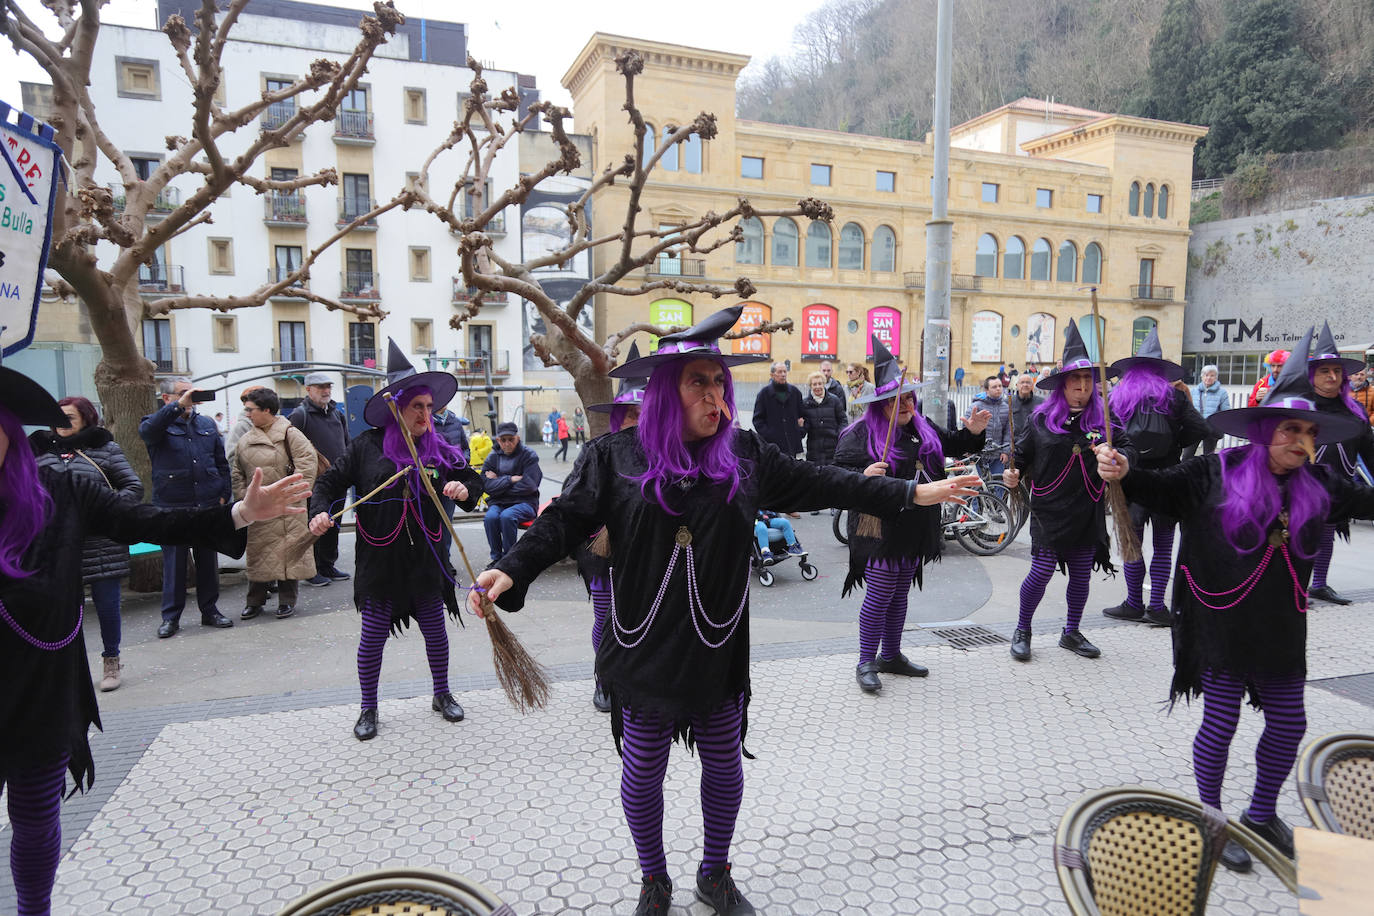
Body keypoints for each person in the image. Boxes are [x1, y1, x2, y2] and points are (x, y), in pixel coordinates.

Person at [470, 306, 980, 916]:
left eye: (719, 382)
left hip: (716, 650)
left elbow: (825, 482)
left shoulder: (744, 453)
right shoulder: (616, 456)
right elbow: (565, 519)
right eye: (699, 383)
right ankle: (653, 879)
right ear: (666, 392)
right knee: (641, 774)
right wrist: (514, 566)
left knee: (724, 767)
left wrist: (911, 492)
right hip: (643, 648)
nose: (715, 395)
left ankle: (715, 874)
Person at [1, 365, 308, 916]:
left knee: (35, 818)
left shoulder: (60, 487)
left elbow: (148, 521)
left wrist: (240, 512)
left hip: (43, 686)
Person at [1107, 326, 1374, 874]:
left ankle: (1259, 814)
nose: (1299, 442)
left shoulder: (1321, 483)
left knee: (1289, 723)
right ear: (1264, 430)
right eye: (1288, 430)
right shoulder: (1215, 471)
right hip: (1218, 620)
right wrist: (1127, 470)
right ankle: (1213, 820)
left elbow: (1370, 499)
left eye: (1308, 432)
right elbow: (1158, 488)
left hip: (1280, 625)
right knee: (1222, 720)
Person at [308, 340, 483, 741]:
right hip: (379, 561)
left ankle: (442, 694)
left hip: (426, 559)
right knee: (372, 636)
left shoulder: (438, 449)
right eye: (417, 407)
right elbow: (329, 482)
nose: (426, 414)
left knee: (436, 631)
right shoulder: (366, 448)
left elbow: (473, 481)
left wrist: (461, 488)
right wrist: (320, 511)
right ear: (395, 408)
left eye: (428, 406)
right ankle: (368, 708)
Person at [836, 335, 990, 693]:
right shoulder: (858, 434)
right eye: (896, 398)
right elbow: (836, 474)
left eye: (908, 396)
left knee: (901, 591)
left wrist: (972, 433)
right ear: (881, 403)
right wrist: (863, 476)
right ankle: (865, 661)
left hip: (917, 524)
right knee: (880, 592)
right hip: (880, 526)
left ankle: (890, 655)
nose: (905, 403)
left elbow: (953, 443)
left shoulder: (922, 428)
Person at [1002, 323, 1136, 662]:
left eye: (1088, 381)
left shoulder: (1105, 419)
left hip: (1087, 508)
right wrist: (1011, 472)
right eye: (1075, 382)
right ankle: (1023, 629)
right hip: (1050, 510)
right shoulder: (1041, 419)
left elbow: (1129, 448)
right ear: (1062, 385)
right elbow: (1020, 455)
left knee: (1080, 573)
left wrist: (1119, 458)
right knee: (1042, 572)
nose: (1082, 388)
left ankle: (1071, 632)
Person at [29, 397, 143, 692]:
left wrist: (106, 509)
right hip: (57, 545)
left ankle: (111, 662)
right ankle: (69, 668)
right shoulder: (39, 453)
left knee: (107, 607)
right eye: (57, 417)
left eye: (69, 417)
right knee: (65, 610)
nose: (61, 423)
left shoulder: (104, 449)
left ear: (86, 419)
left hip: (101, 542)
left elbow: (133, 487)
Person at [1101, 329, 1209, 625]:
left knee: (1131, 543)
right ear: (1161, 371)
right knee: (1163, 545)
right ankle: (1157, 608)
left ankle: (1134, 603)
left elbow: (1103, 433)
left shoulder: (1117, 397)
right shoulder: (1174, 396)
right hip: (1168, 480)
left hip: (1131, 481)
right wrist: (1175, 441)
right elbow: (1201, 429)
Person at [139, 377, 235, 638]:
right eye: (184, 393)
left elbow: (220, 461)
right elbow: (149, 433)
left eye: (193, 393)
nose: (191, 398)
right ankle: (171, 617)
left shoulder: (206, 423)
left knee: (207, 560)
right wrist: (177, 408)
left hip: (207, 503)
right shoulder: (154, 422)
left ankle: (210, 610)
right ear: (167, 398)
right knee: (175, 564)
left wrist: (224, 493)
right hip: (173, 505)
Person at [581, 343, 647, 712]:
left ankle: (634, 676)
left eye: (644, 413)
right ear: (618, 416)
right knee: (605, 617)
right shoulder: (598, 451)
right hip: (604, 552)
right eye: (630, 414)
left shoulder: (668, 455)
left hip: (645, 557)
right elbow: (574, 508)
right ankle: (604, 680)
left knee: (639, 618)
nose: (637, 421)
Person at [232, 387, 318, 620]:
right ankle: (255, 601)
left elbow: (307, 464)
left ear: (267, 410)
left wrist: (291, 494)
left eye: (251, 410)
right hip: (258, 509)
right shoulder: (245, 440)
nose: (247, 414)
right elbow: (237, 472)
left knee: (290, 553)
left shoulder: (290, 434)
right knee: (259, 554)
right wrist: (244, 498)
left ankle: (287, 600)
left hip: (288, 505)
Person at [1303, 322, 1374, 605]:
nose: (1332, 376)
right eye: (1325, 371)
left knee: (1327, 531)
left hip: (1339, 484)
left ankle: (1319, 583)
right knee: (1300, 534)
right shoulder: (1300, 405)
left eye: (1336, 371)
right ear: (1312, 375)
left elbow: (1369, 449)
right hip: (1302, 483)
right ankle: (1295, 584)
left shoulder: (1354, 411)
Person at [289, 372, 352, 586]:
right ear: (308, 390)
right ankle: (311, 569)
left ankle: (327, 565)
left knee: (333, 524)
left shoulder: (336, 413)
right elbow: (290, 448)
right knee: (313, 525)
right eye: (319, 387)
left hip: (338, 480)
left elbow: (346, 443)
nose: (325, 390)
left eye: (327, 386)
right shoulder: (300, 415)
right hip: (314, 483)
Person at [482, 422, 542, 563]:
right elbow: (485, 485)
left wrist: (499, 482)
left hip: (526, 502)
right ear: (498, 440)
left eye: (511, 439)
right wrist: (510, 479)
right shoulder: (492, 457)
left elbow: (530, 485)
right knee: (490, 518)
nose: (507, 443)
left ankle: (510, 559)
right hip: (499, 502)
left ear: (518, 438)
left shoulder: (529, 455)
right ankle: (496, 559)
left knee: (507, 516)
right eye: (503, 440)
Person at [751, 360, 804, 457]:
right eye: (779, 372)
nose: (783, 374)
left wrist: (800, 432)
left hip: (792, 445)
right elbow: (757, 420)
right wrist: (769, 435)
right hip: (772, 446)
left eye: (785, 371)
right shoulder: (764, 394)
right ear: (772, 375)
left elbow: (804, 416)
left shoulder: (795, 392)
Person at [800, 370, 846, 465]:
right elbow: (803, 430)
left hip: (833, 448)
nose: (817, 387)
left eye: (820, 383)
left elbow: (843, 420)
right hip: (814, 450)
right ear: (810, 386)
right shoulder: (805, 403)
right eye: (814, 384)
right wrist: (801, 426)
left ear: (824, 384)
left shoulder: (834, 400)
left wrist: (839, 434)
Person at [968, 375, 1010, 474]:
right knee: (979, 486)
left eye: (1000, 386)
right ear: (986, 390)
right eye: (994, 387)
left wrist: (1006, 451)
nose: (998, 389)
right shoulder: (976, 406)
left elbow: (1008, 432)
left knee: (997, 485)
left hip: (998, 455)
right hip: (979, 455)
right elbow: (967, 428)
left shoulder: (1006, 407)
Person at [1185, 364, 1229, 458]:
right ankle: (1184, 472)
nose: (1208, 378)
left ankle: (1206, 472)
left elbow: (1225, 412)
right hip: (1195, 427)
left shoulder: (1222, 393)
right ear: (1202, 376)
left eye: (1212, 375)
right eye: (1206, 375)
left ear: (1216, 377)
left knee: (1208, 456)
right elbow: (1188, 409)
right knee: (1187, 455)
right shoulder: (1194, 391)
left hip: (1211, 429)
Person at [1009, 373, 1042, 441]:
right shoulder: (1009, 402)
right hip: (1014, 442)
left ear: (1032, 386)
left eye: (1028, 382)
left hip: (1034, 442)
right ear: (1017, 385)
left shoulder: (1041, 402)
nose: (1025, 385)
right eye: (1022, 382)